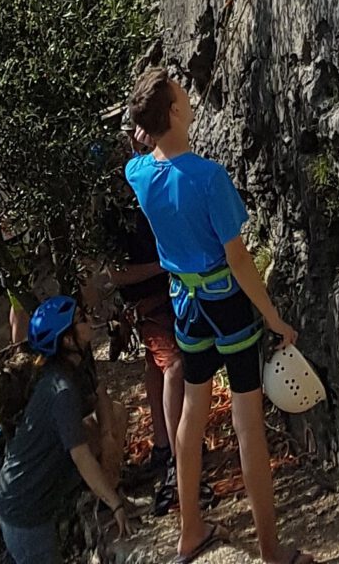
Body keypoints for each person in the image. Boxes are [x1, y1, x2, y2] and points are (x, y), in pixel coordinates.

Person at [123, 66, 314, 564]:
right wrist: (272, 316)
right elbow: (239, 258)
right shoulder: (209, 178)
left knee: (193, 411)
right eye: (180, 95)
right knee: (248, 423)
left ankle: (190, 531)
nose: (188, 97)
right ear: (174, 112)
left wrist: (144, 134)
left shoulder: (139, 174)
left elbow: (138, 152)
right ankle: (271, 551)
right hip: (226, 304)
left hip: (184, 306)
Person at [0, 296, 127, 564]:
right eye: (80, 319)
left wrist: (108, 436)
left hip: (30, 505)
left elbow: (102, 402)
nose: (88, 319)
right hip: (27, 517)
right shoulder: (61, 391)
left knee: (116, 412)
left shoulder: (69, 370)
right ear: (67, 341)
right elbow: (81, 457)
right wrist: (116, 504)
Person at [103, 200, 185, 495]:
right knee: (174, 366)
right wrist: (164, 263)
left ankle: (166, 446)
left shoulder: (140, 196)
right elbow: (117, 274)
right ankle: (179, 455)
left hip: (160, 299)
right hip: (149, 303)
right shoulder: (110, 213)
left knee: (155, 366)